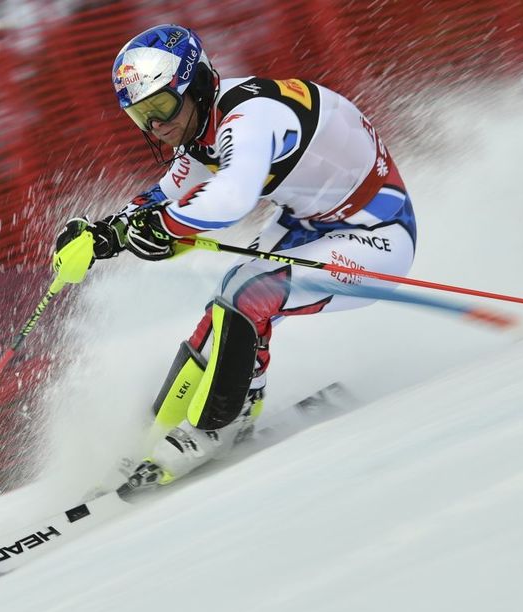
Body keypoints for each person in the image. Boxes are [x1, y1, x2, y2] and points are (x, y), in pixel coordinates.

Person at [52, 24, 417, 492]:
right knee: (225, 302)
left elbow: (231, 199)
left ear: (197, 84)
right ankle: (156, 433)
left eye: (161, 107)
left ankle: (217, 425)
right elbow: (166, 193)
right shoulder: (203, 124)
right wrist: (105, 233)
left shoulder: (248, 118)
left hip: (377, 236)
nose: (157, 127)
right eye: (141, 117)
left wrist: (160, 228)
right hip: (309, 222)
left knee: (249, 295)